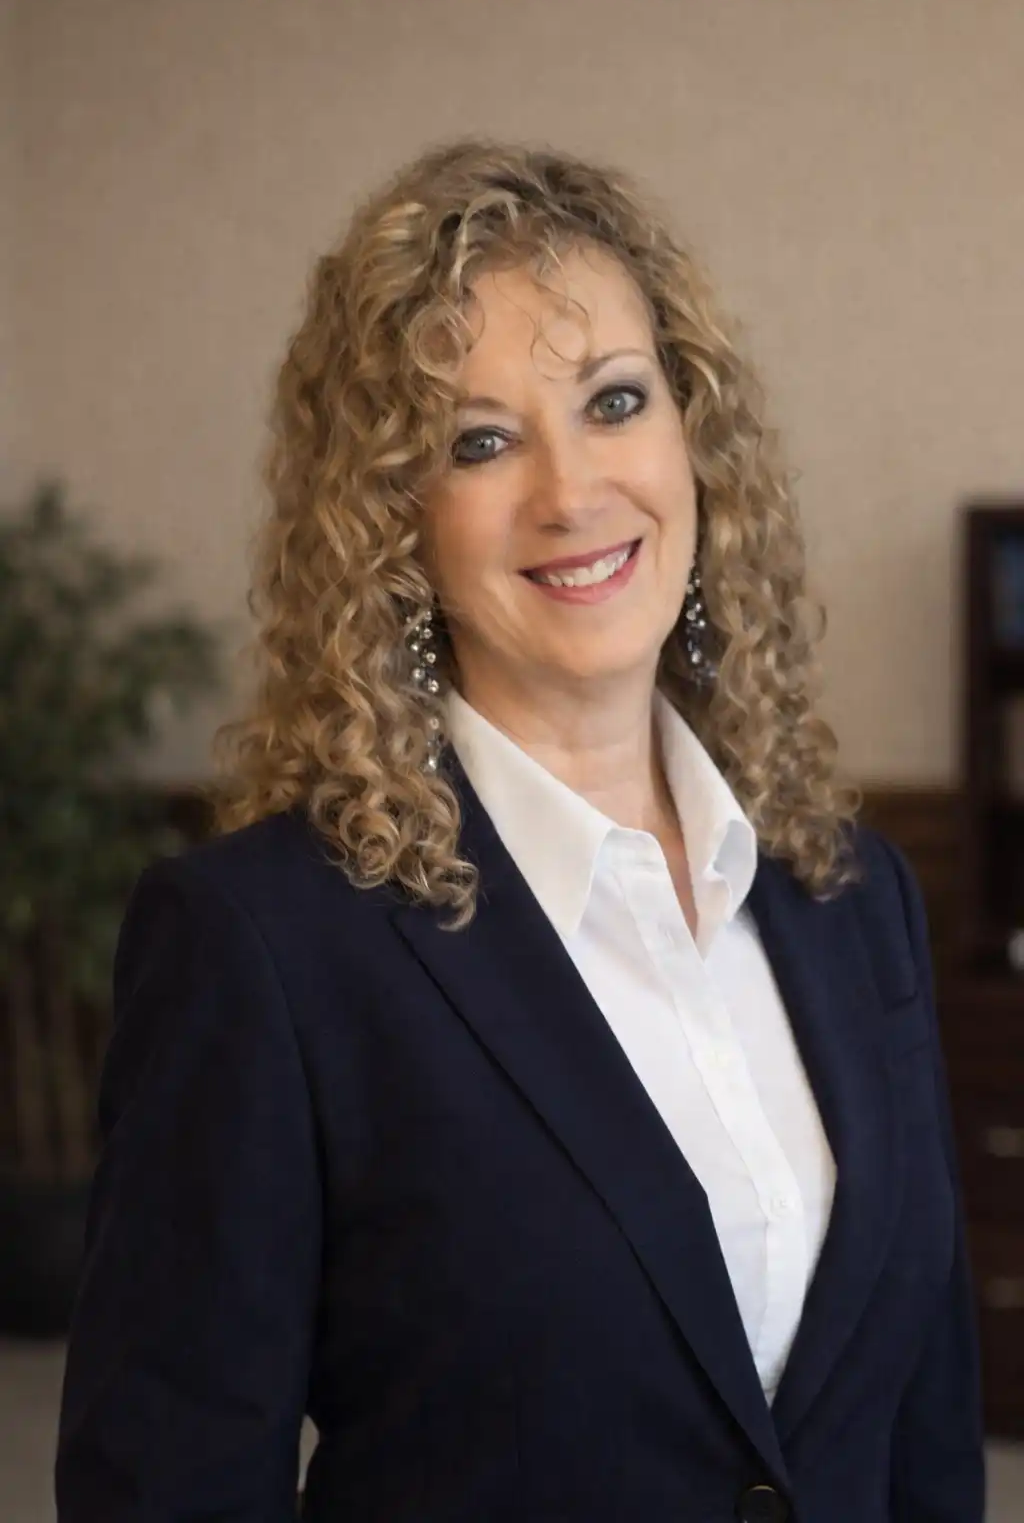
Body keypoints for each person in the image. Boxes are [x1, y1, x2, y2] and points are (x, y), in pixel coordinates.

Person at [55, 140, 984, 1523]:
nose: (571, 491)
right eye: (477, 441)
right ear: (391, 522)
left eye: (615, 401)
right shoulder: (263, 946)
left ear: (695, 442)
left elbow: (923, 1430)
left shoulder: (852, 898)